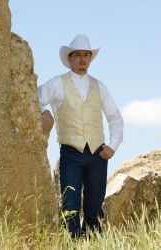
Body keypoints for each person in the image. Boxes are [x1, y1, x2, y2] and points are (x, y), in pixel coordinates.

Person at [38, 34, 124, 238]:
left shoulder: (99, 86)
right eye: (77, 55)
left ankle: (93, 243)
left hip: (97, 155)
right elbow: (32, 95)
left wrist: (112, 146)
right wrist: (44, 110)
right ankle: (74, 244)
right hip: (71, 155)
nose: (83, 59)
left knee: (94, 208)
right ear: (70, 58)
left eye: (86, 55)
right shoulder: (58, 83)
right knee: (70, 207)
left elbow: (116, 118)